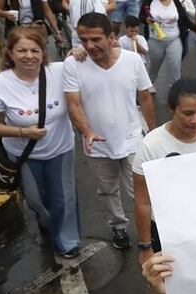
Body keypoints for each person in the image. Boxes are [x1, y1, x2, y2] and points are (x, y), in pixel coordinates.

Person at [0, 27, 80, 259]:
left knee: (64, 197)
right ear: (10, 53)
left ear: (43, 53)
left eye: (35, 50)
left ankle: (67, 240)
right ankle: (46, 220)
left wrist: (81, 51)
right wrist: (22, 131)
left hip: (61, 149)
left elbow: (93, 59)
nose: (29, 56)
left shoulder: (60, 71)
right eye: (21, 50)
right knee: (36, 200)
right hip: (24, 155)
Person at [63, 13, 155, 250]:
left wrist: (153, 133)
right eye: (84, 40)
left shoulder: (133, 60)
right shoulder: (73, 64)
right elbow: (72, 103)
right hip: (98, 145)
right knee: (107, 190)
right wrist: (87, 131)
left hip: (133, 139)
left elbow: (145, 97)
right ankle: (118, 227)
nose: (89, 46)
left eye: (95, 39)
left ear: (112, 37)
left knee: (140, 191)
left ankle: (151, 231)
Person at [133, 78, 196, 264]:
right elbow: (142, 202)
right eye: (187, 113)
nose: (195, 120)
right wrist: (145, 247)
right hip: (167, 231)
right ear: (171, 109)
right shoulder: (151, 146)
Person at [143, 0, 196, 89]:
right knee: (154, 67)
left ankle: (176, 91)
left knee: (175, 67)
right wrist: (146, 19)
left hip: (174, 40)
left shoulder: (175, 1)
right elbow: (140, 16)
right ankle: (146, 89)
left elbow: (184, 20)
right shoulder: (149, 0)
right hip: (156, 40)